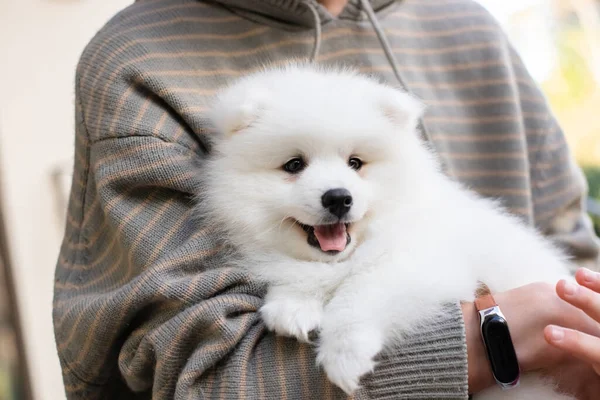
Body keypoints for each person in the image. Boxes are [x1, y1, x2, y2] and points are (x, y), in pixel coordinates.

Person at [53, 0, 600, 398]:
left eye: (357, 164)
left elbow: (576, 261)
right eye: (294, 166)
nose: (338, 190)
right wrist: (492, 340)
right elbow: (193, 377)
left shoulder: (471, 28)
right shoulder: (139, 61)